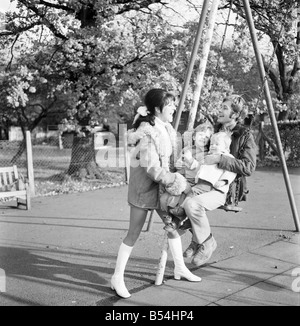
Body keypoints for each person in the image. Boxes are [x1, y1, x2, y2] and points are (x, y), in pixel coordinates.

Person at [111, 88, 201, 299]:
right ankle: (117, 277)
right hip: (144, 189)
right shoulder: (147, 132)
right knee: (133, 233)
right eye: (169, 105)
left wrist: (183, 163)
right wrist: (177, 181)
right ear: (158, 109)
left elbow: (168, 160)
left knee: (172, 227)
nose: (173, 109)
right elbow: (151, 168)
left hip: (161, 190)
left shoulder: (166, 128)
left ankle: (179, 267)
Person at [182, 94, 257, 267]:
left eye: (225, 108)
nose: (220, 110)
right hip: (203, 177)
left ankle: (206, 241)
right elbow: (203, 153)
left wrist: (219, 160)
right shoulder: (215, 130)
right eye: (221, 107)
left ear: (235, 114)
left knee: (192, 204)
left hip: (225, 188)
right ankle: (198, 239)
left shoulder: (245, 135)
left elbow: (248, 167)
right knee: (178, 199)